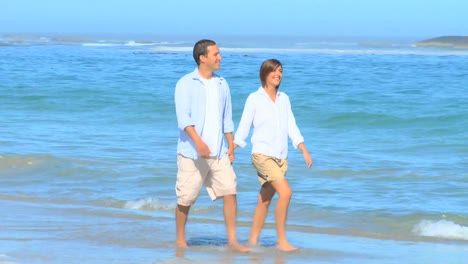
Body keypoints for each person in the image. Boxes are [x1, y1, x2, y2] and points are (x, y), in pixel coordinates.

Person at [174, 39, 250, 252]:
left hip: (218, 152)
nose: (220, 57)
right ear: (202, 58)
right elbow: (184, 119)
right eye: (216, 54)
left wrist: (231, 145)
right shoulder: (185, 83)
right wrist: (199, 143)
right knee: (185, 198)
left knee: (230, 191)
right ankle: (180, 239)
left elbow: (227, 118)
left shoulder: (222, 84)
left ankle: (233, 240)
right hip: (191, 153)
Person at [233, 59, 313, 251]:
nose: (278, 74)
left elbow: (291, 125)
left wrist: (303, 148)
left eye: (280, 71)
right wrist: (233, 146)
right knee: (286, 192)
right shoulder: (254, 98)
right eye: (274, 71)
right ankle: (281, 241)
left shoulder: (284, 98)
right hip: (262, 154)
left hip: (281, 157)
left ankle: (252, 240)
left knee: (265, 199)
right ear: (264, 74)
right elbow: (244, 125)